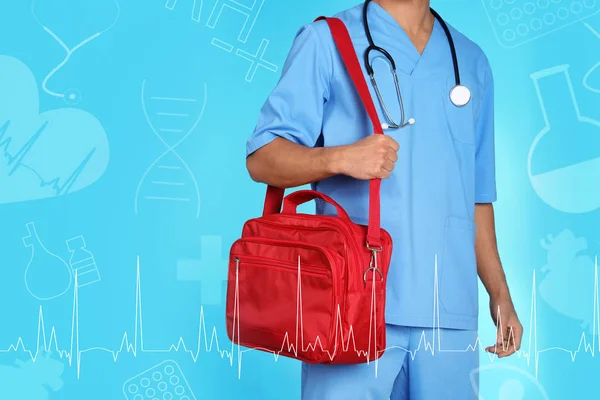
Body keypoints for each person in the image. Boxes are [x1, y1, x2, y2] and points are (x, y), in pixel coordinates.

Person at [244, 0, 523, 398]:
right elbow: (262, 159)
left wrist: (500, 293)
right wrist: (340, 157)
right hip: (352, 304)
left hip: (449, 313)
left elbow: (476, 197)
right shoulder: (326, 43)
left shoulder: (471, 62)